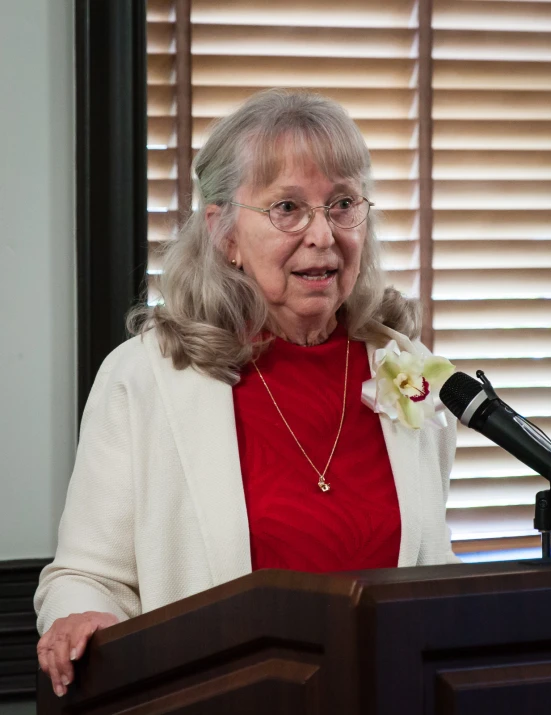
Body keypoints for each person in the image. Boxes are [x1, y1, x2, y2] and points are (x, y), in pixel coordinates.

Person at [35, 88, 458, 697]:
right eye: (288, 207)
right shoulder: (144, 378)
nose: (323, 235)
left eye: (342, 204)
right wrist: (82, 616)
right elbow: (86, 576)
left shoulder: (411, 374)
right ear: (225, 232)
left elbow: (429, 573)